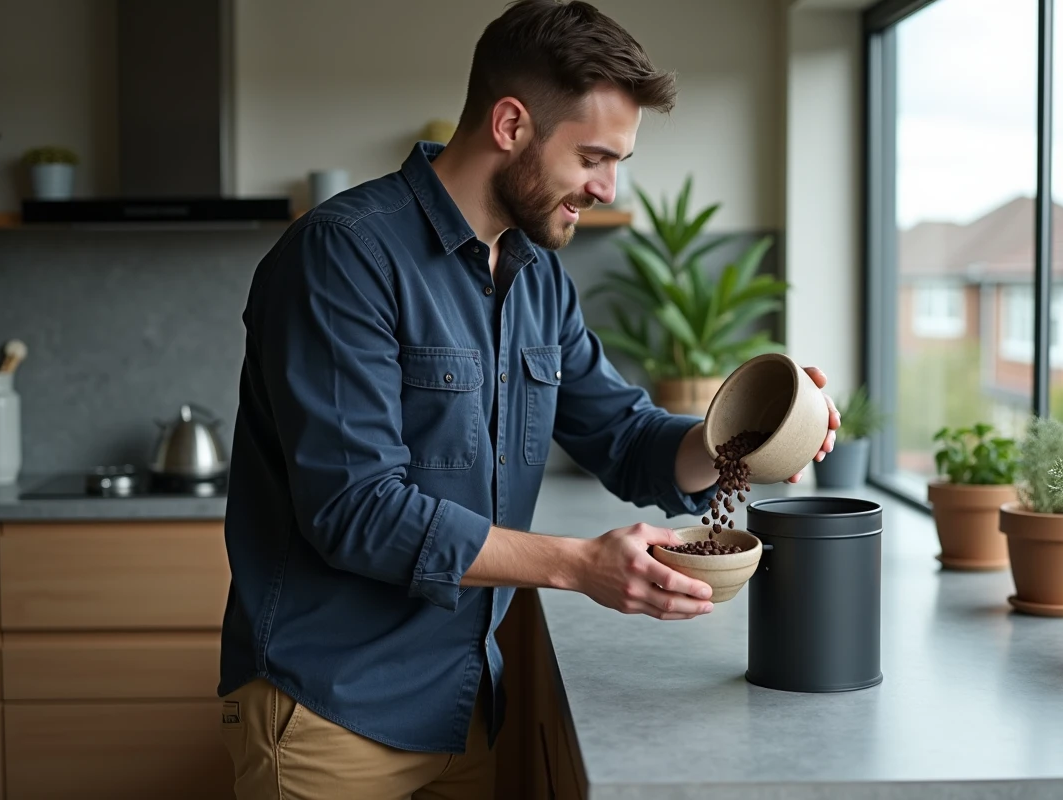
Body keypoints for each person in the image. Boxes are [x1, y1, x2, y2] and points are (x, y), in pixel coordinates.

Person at [216, 1, 839, 797]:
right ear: (511, 125)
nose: (607, 187)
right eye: (593, 157)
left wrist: (751, 435)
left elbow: (623, 434)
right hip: (329, 716)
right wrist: (578, 565)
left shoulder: (538, 278)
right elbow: (357, 508)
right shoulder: (343, 255)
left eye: (619, 161)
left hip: (463, 707)